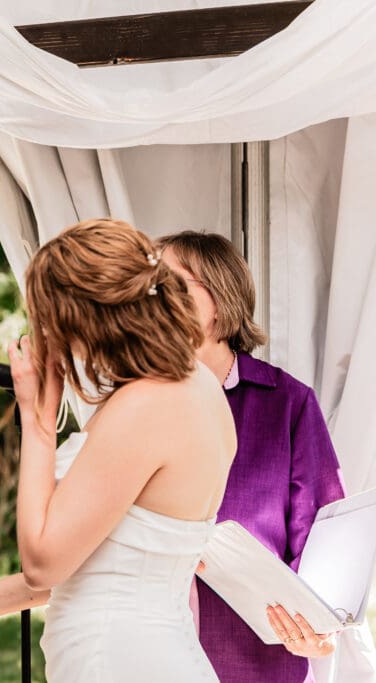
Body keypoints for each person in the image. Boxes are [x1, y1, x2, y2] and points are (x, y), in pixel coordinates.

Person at [0, 218, 237, 681]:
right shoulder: (196, 388)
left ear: (85, 319)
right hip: (148, 650)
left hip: (118, 659)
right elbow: (111, 560)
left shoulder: (146, 404)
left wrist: (39, 422)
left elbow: (43, 563)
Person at [157, 230, 344, 683]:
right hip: (151, 653)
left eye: (170, 283)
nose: (153, 299)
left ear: (220, 296)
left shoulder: (288, 403)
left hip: (255, 659)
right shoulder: (138, 402)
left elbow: (321, 533)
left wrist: (320, 626)